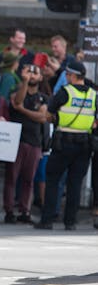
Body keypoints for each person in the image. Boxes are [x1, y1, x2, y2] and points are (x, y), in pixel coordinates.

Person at [35, 61, 97, 230]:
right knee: (75, 183)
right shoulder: (93, 94)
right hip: (85, 143)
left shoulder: (65, 92)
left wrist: (57, 119)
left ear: (72, 75)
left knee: (53, 180)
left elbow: (48, 115)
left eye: (68, 75)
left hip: (63, 142)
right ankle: (70, 222)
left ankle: (47, 220)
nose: (67, 77)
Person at [4, 64, 48, 224]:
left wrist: (23, 111)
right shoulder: (17, 90)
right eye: (30, 72)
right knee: (11, 177)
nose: (32, 75)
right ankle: (9, 210)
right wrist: (24, 81)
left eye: (36, 73)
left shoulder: (43, 97)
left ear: (41, 78)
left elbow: (42, 117)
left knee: (29, 179)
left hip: (35, 142)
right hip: (16, 141)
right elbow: (18, 101)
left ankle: (25, 210)